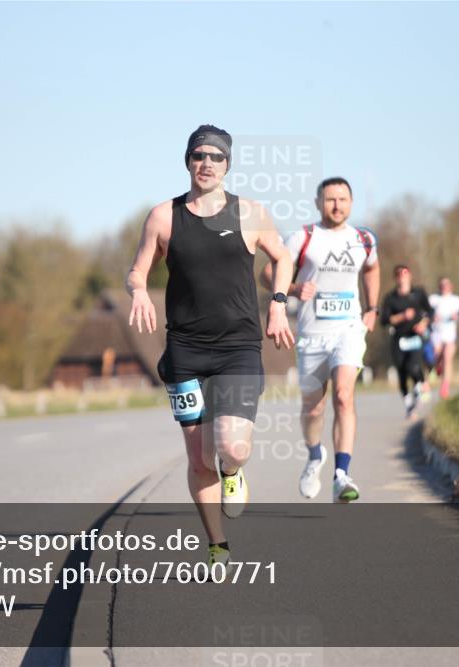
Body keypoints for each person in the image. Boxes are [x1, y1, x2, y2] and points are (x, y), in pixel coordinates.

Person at [126, 124, 295, 567]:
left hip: (238, 346)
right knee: (200, 458)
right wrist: (139, 290)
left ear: (227, 165)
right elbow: (137, 270)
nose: (206, 163)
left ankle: (234, 471)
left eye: (216, 157)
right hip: (184, 349)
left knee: (232, 447)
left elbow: (283, 258)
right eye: (199, 155)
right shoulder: (164, 216)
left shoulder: (250, 214)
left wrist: (278, 304)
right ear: (188, 160)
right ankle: (217, 545)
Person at [260, 177, 380, 503]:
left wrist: (373, 308)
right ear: (318, 203)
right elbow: (267, 274)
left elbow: (371, 268)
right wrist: (295, 289)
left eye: (342, 199)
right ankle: (315, 456)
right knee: (313, 409)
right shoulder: (304, 236)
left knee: (343, 395)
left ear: (351, 203)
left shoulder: (363, 239)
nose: (337, 205)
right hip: (312, 335)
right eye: (330, 200)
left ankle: (342, 475)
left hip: (348, 329)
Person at [380, 265, 433, 419]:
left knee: (413, 366)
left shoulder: (419, 293)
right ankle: (409, 405)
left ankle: (420, 385)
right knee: (402, 373)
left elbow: (429, 312)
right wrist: (402, 316)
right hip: (399, 339)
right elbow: (384, 321)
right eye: (399, 274)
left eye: (405, 273)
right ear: (395, 278)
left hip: (416, 337)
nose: (402, 276)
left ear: (410, 276)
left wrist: (423, 324)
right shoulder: (390, 298)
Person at [428, 277, 459, 399]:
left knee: (447, 357)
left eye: (447, 284)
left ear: (451, 286)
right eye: (442, 284)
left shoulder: (456, 300)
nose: (444, 286)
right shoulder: (433, 299)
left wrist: (456, 317)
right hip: (437, 333)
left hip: (450, 334)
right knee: (438, 356)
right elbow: (426, 314)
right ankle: (437, 368)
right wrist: (433, 317)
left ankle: (445, 387)